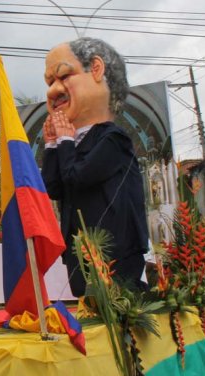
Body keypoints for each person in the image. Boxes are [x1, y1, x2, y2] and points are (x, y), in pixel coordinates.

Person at [41, 37, 148, 298]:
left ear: (97, 70)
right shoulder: (71, 143)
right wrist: (52, 145)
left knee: (118, 316)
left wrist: (65, 140)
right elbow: (52, 188)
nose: (53, 91)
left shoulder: (113, 138)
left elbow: (78, 177)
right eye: (49, 82)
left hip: (113, 252)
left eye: (64, 76)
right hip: (79, 250)